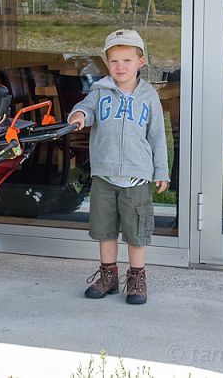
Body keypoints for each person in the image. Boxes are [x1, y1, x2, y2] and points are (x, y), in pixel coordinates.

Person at [68, 29, 169, 305]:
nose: (120, 66)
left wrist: (161, 171)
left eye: (127, 60)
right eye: (114, 61)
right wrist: (79, 115)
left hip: (136, 178)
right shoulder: (100, 91)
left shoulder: (149, 96)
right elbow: (85, 109)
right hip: (104, 176)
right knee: (105, 230)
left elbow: (157, 136)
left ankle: (136, 278)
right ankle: (108, 276)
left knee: (136, 233)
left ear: (141, 61)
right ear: (106, 62)